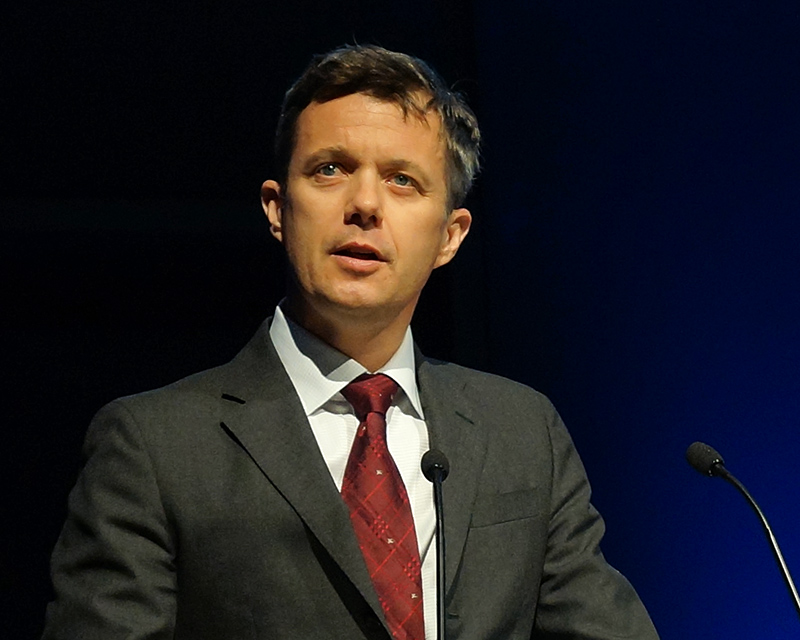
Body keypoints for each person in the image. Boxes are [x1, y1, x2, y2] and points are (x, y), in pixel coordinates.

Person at [42, 45, 659, 639]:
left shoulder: (522, 431)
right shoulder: (155, 446)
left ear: (450, 236)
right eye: (330, 169)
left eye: (402, 180)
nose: (364, 204)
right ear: (277, 208)